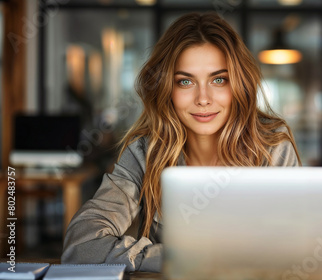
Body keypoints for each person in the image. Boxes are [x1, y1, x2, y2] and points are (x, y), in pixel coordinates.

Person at [61, 12, 301, 272]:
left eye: (218, 79)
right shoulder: (146, 151)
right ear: (167, 89)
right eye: (185, 81)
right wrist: (180, 258)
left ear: (238, 85)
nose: (203, 98)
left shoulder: (271, 147)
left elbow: (294, 247)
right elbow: (82, 245)